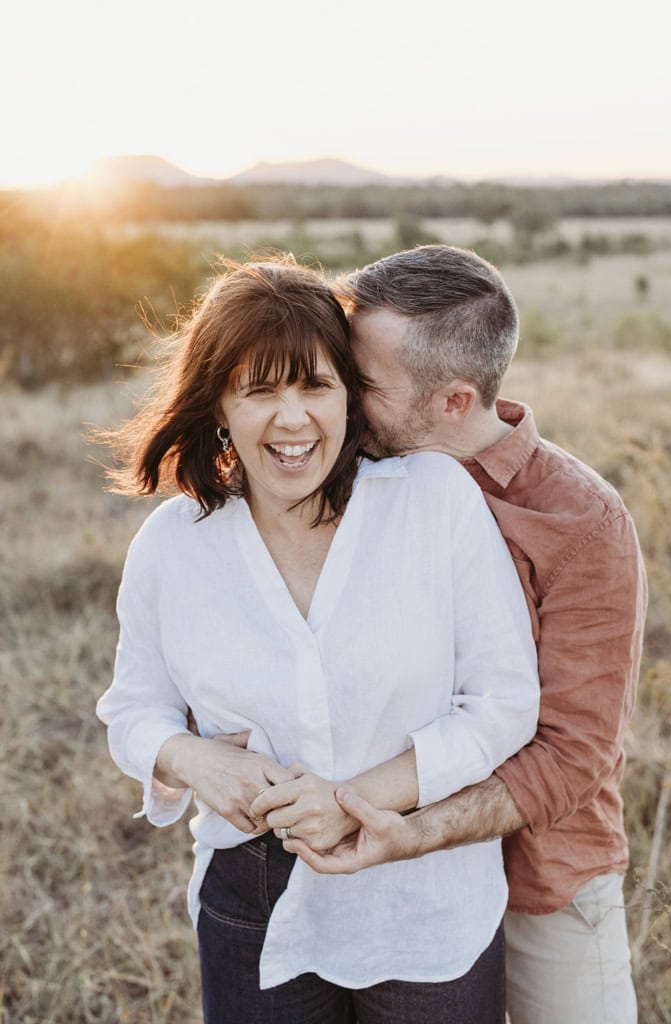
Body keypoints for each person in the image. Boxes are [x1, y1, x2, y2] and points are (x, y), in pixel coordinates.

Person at [95, 255, 539, 1024]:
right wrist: (195, 760)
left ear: (349, 396)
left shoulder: (433, 502)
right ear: (218, 402)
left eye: (314, 386)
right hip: (252, 905)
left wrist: (353, 801)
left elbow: (503, 704)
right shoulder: (173, 544)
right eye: (259, 390)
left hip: (426, 901)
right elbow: (132, 712)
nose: (292, 419)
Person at [283, 245, 647, 1024]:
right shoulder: (343, 479)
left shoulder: (581, 524)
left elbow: (572, 754)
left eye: (363, 384)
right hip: (379, 878)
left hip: (537, 882)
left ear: (453, 400)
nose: (341, 402)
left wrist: (413, 831)